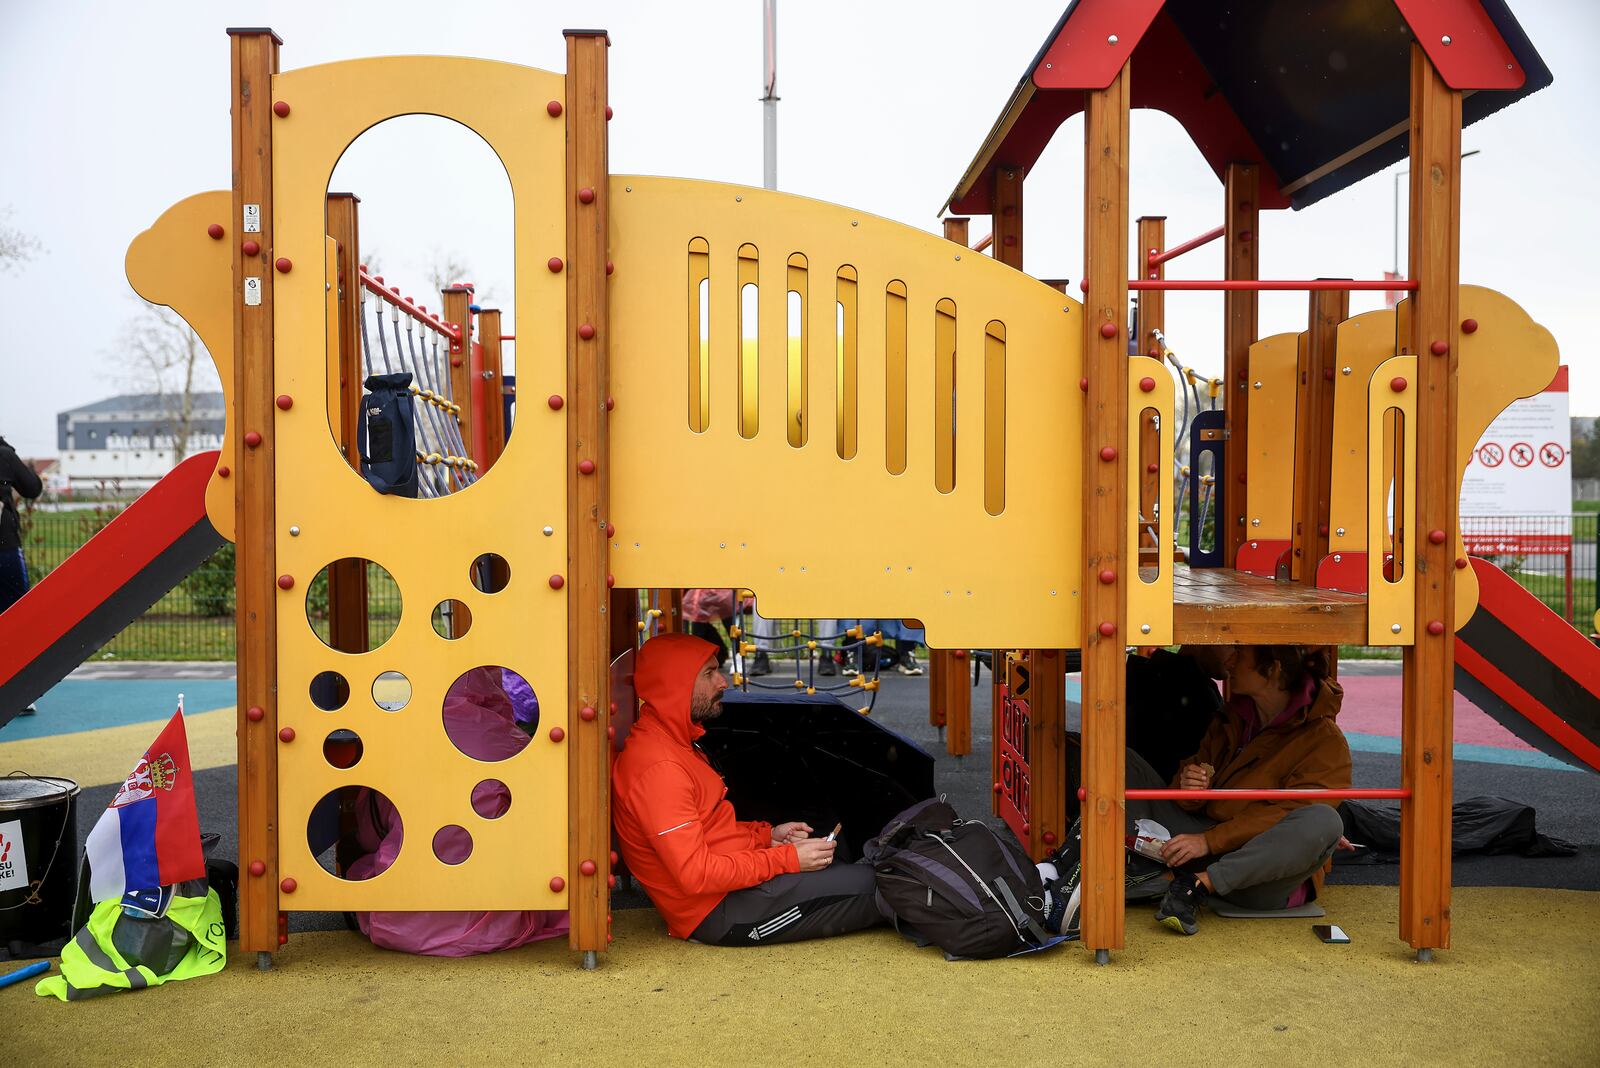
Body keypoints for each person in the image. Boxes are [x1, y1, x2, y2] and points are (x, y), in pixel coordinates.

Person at [612, 633, 885, 945]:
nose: (723, 682)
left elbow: (710, 831)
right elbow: (696, 875)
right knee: (884, 882)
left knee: (848, 862)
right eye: (709, 673)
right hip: (720, 913)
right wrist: (786, 859)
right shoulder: (659, 767)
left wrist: (767, 836)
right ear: (675, 684)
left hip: (731, 892)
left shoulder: (673, 742)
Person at [1133, 645, 1351, 936]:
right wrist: (1189, 788)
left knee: (1325, 821)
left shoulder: (1326, 742)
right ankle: (1146, 872)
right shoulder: (1233, 716)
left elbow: (1287, 813)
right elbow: (1193, 781)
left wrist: (1209, 841)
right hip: (1202, 840)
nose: (1230, 661)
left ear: (1272, 670)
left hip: (1255, 875)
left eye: (1240, 653)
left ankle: (1196, 884)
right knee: (1125, 764)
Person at [1, 433, 43, 716]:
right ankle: (20, 692)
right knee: (16, 613)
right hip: (3, 548)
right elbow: (31, 488)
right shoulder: (3, 455)